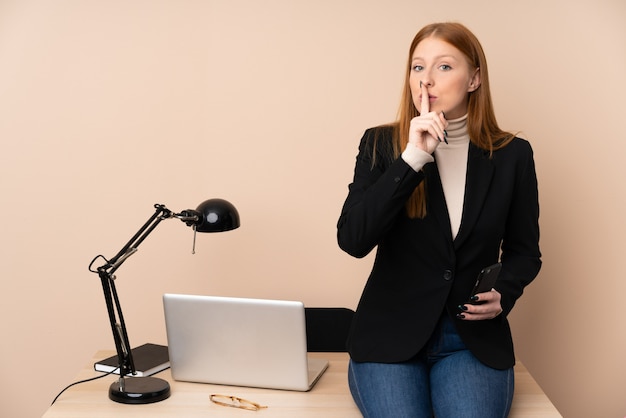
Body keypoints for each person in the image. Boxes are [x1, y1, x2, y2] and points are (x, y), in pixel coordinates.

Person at [337, 22, 541, 418]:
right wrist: (413, 158)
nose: (426, 80)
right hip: (389, 336)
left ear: (474, 79)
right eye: (417, 67)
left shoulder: (513, 155)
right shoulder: (381, 145)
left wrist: (506, 292)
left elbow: (525, 252)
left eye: (444, 67)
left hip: (469, 339)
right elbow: (353, 239)